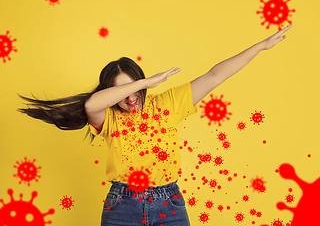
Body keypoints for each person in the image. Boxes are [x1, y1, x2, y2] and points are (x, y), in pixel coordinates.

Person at [18, 24, 292, 226]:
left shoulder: (166, 104)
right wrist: (143, 83)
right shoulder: (109, 117)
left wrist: (260, 46)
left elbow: (215, 76)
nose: (131, 97)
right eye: (123, 92)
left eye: (136, 89)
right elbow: (91, 105)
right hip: (122, 204)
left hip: (168, 203)